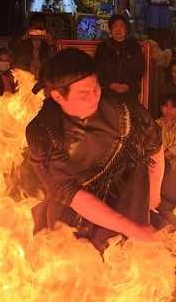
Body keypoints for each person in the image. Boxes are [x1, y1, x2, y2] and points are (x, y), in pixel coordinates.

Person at [24, 48, 164, 251]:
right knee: (70, 260)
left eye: (96, 88)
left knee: (126, 258)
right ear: (57, 96)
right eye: (83, 93)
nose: (94, 97)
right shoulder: (42, 131)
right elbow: (70, 193)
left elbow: (155, 149)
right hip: (74, 208)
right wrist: (132, 228)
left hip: (125, 193)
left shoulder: (124, 110)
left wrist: (154, 193)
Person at [93, 15, 145, 101]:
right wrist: (110, 84)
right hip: (107, 90)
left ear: (126, 29)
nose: (118, 30)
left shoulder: (133, 47)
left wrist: (128, 86)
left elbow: (139, 69)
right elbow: (97, 69)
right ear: (110, 28)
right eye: (115, 26)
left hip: (129, 91)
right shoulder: (103, 47)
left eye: (122, 26)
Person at [11, 15, 56, 79]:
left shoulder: (46, 43)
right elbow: (11, 47)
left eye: (40, 29)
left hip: (42, 77)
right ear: (30, 28)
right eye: (35, 28)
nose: (37, 31)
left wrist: (50, 43)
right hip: (25, 77)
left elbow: (54, 58)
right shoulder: (24, 41)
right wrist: (23, 38)